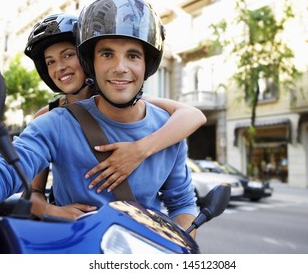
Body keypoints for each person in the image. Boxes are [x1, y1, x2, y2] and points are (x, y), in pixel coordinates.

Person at [0, 0, 198, 243]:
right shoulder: (53, 122)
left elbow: (182, 203)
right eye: (106, 54)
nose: (120, 67)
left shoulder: (167, 127)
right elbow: (3, 172)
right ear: (91, 62)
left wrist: (179, 251)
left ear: (147, 63)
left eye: (133, 55)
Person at [24, 12, 206, 219]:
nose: (60, 67)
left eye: (68, 55)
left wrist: (138, 150)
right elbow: (32, 192)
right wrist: (54, 211)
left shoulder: (122, 96)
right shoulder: (48, 120)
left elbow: (191, 114)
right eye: (50, 62)